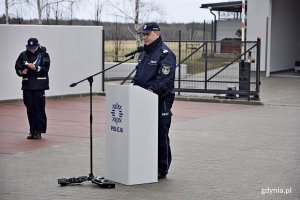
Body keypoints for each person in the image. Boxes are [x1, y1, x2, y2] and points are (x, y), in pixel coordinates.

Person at [132, 22, 176, 179]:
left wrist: (149, 92)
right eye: (143, 35)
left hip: (161, 100)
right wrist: (133, 88)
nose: (144, 37)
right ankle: (145, 163)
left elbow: (164, 80)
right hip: (142, 101)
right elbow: (138, 76)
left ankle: (162, 169)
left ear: (157, 34)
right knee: (144, 134)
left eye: (147, 34)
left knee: (160, 134)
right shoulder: (143, 54)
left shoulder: (166, 54)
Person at [15, 38, 51, 139]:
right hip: (27, 85)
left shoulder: (44, 54)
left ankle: (39, 131)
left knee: (39, 108)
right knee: (30, 109)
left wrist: (36, 68)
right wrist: (21, 72)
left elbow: (46, 69)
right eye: (29, 47)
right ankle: (32, 130)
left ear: (38, 46)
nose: (32, 49)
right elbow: (17, 67)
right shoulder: (23, 55)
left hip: (39, 85)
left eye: (34, 47)